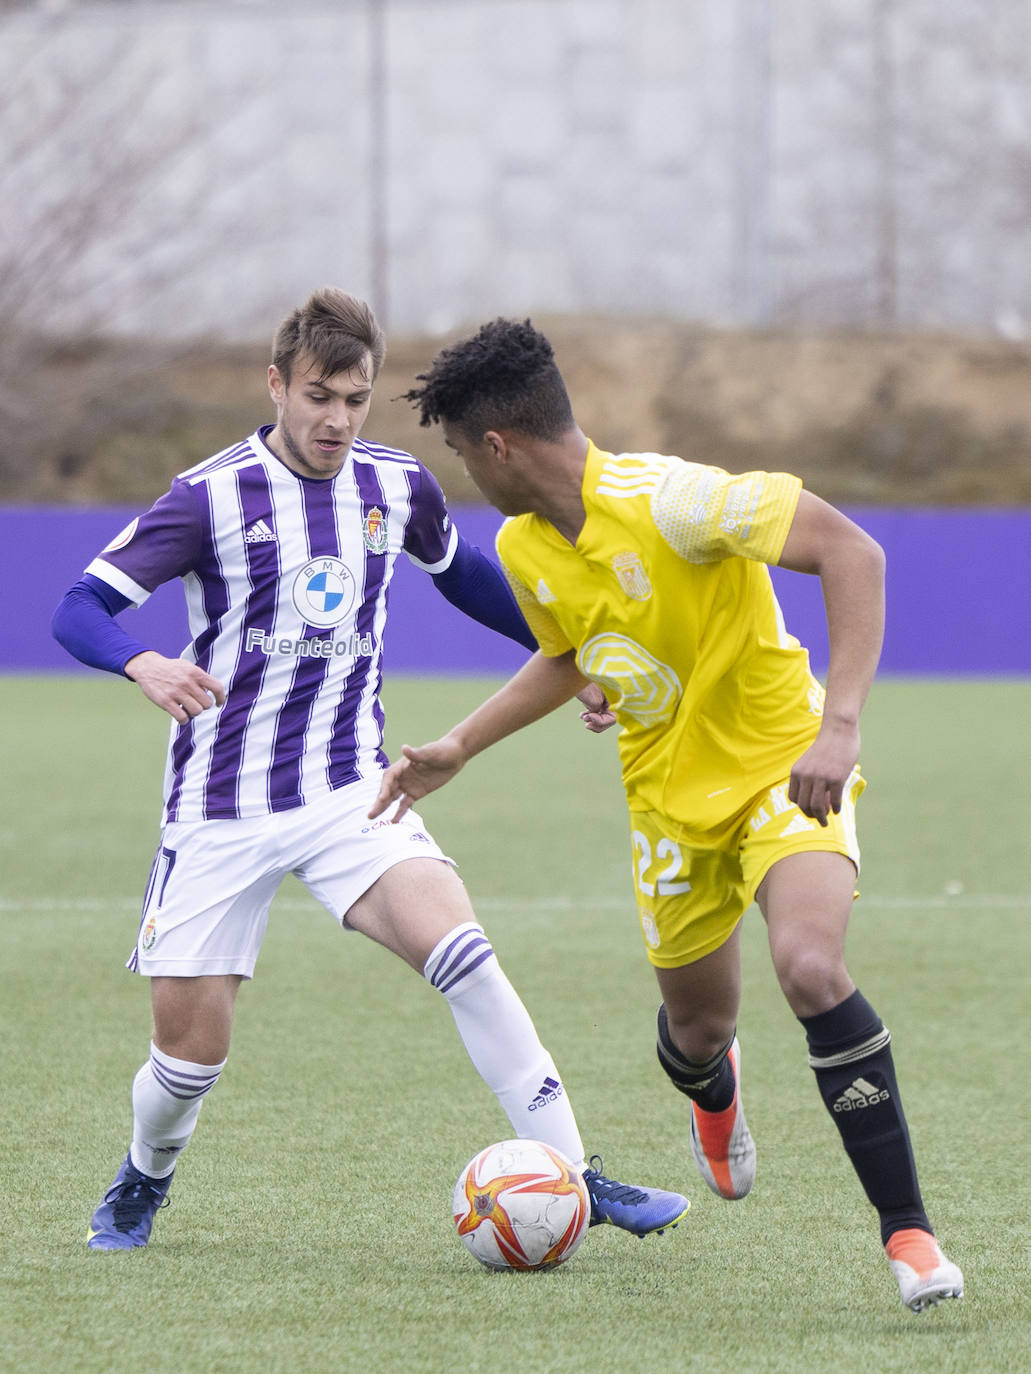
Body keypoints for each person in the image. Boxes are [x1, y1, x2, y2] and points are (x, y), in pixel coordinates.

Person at [51, 288, 689, 1252]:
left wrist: (574, 656)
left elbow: (468, 579)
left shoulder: (397, 486)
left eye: (355, 400)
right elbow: (78, 608)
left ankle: (574, 1174)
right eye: (318, 396)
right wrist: (141, 661)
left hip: (352, 790)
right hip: (220, 807)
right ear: (277, 385)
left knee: (467, 959)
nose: (336, 420)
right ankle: (144, 1177)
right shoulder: (209, 496)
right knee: (187, 1063)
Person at [370, 316, 964, 1314]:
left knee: (809, 967)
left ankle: (908, 1236)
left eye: (463, 453)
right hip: (665, 805)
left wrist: (839, 727)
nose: (467, 473)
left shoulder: (674, 500)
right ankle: (712, 1085)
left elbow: (850, 551)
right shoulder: (522, 546)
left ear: (498, 446)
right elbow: (568, 654)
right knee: (694, 1031)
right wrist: (462, 744)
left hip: (783, 769)